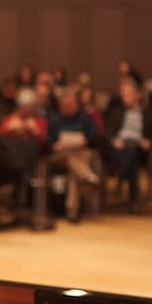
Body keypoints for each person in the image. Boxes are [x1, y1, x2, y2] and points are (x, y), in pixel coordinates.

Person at [0, 89, 47, 226]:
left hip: (32, 164)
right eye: (22, 107)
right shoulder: (9, 120)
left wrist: (34, 131)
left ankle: (23, 210)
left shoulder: (40, 122)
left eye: (28, 107)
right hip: (9, 164)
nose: (25, 110)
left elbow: (44, 143)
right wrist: (10, 129)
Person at [45, 89, 102, 221]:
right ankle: (88, 176)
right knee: (71, 158)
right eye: (66, 106)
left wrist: (85, 140)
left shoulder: (85, 119)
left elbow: (95, 136)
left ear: (76, 104)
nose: (69, 108)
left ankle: (72, 210)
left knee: (74, 171)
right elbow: (47, 141)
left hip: (81, 153)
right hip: (61, 155)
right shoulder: (55, 120)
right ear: (61, 106)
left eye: (71, 105)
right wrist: (55, 145)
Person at [103, 83, 149, 212]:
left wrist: (148, 141)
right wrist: (114, 141)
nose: (125, 98)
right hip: (120, 147)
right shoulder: (117, 112)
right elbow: (108, 132)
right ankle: (133, 202)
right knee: (132, 161)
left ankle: (120, 179)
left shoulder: (146, 113)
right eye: (124, 95)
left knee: (133, 151)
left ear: (137, 96)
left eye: (128, 95)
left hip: (139, 147)